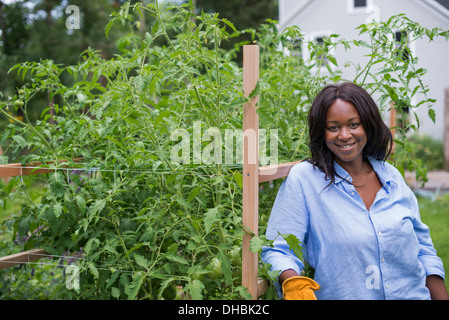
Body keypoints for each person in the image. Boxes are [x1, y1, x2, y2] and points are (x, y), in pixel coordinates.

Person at [261, 82, 448, 300]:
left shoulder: (391, 177)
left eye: (354, 124)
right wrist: (293, 283)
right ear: (322, 132)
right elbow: (278, 250)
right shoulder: (304, 180)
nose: (344, 135)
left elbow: (424, 250)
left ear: (368, 125)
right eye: (333, 127)